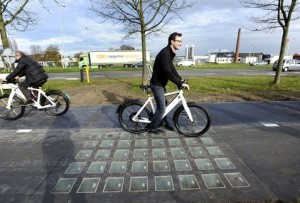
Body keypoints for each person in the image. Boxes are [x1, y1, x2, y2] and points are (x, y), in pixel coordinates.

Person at [148, 32, 189, 134]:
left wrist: (180, 80)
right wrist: (180, 84)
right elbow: (167, 72)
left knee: (164, 105)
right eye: (179, 41)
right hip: (157, 85)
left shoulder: (169, 52)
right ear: (172, 41)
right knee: (162, 109)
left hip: (161, 84)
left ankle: (163, 122)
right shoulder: (165, 54)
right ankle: (152, 128)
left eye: (181, 41)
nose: (181, 43)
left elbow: (172, 69)